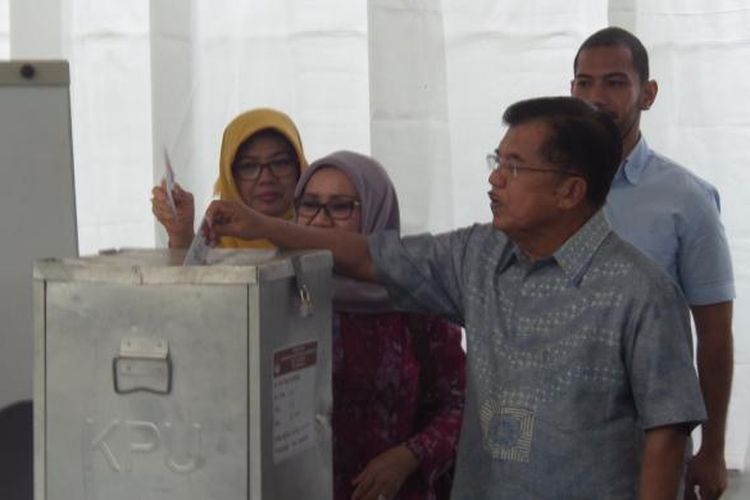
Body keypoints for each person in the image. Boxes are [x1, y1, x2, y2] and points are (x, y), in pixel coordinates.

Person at [203, 96, 706, 499]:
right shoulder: (478, 255)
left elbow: (667, 433)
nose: (494, 178)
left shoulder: (641, 293)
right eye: (497, 161)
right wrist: (263, 225)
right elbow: (368, 254)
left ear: (570, 192)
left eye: (514, 167)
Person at [571, 27, 735, 500]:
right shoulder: (546, 187)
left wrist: (714, 447)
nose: (597, 96)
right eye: (585, 82)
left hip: (649, 441)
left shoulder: (686, 199)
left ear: (648, 94)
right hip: (554, 434)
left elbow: (715, 332)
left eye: (615, 82)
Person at [294, 151, 465, 500]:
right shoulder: (284, 297)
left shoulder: (415, 302)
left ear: (376, 211)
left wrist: (409, 456)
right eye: (309, 204)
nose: (319, 220)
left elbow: (463, 404)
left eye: (340, 206)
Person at [151, 107, 307, 248]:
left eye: (280, 163)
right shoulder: (214, 245)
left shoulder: (323, 231)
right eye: (249, 166)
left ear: (300, 168)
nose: (266, 178)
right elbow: (191, 276)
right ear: (230, 177)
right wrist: (181, 234)